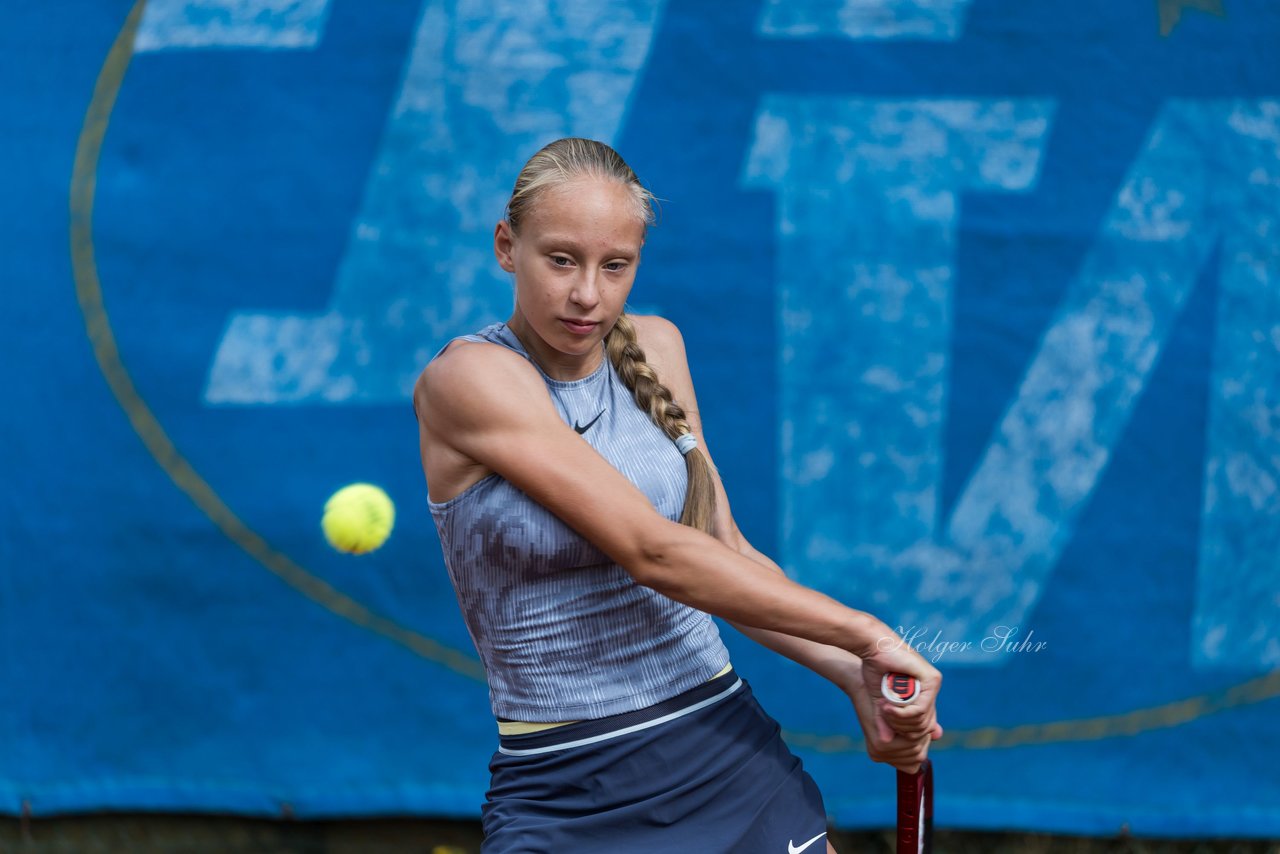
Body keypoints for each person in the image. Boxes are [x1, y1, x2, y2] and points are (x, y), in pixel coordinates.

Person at [414, 137, 942, 853]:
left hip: (730, 757)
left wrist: (851, 674)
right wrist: (867, 634)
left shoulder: (657, 347)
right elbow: (653, 551)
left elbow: (720, 551)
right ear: (507, 247)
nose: (587, 294)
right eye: (561, 259)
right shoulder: (469, 379)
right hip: (569, 794)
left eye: (615, 265)